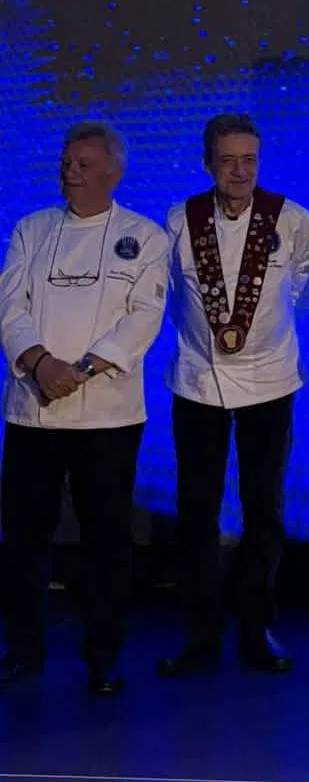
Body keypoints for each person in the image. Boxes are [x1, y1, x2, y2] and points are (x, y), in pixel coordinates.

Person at [0, 120, 170, 695]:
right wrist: (41, 363)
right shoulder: (31, 229)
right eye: (66, 162)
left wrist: (86, 368)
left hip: (107, 416)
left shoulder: (145, 237)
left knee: (106, 541)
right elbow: (9, 306)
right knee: (25, 538)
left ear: (112, 173)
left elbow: (143, 317)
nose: (70, 171)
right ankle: (24, 649)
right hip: (33, 412)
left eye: (83, 164)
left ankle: (103, 657)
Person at [157, 113, 309, 678]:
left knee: (264, 510)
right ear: (208, 164)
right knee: (196, 512)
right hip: (197, 379)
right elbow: (172, 292)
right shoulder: (181, 219)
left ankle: (256, 630)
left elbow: (298, 283)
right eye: (228, 160)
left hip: (270, 380)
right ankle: (200, 634)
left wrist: (255, 327)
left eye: (249, 159)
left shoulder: (292, 219)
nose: (240, 170)